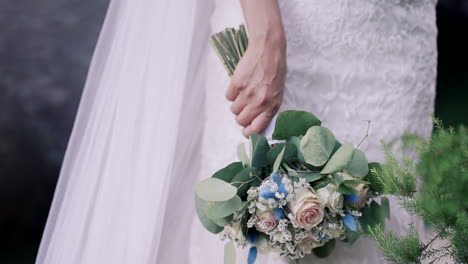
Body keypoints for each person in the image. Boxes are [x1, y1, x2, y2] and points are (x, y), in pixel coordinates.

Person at [37, 0, 438, 263]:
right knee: (259, 233)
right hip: (288, 22)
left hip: (400, 33)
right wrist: (266, 35)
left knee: (387, 222)